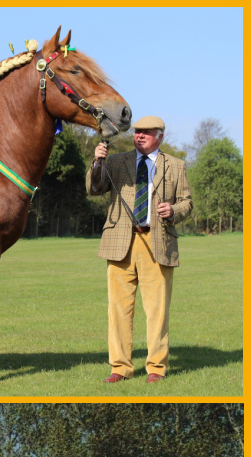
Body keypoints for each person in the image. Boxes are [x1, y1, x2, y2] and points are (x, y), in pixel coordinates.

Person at [87, 116, 192, 384]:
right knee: (118, 310)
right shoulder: (116, 161)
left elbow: (187, 203)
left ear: (160, 136)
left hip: (158, 244)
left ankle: (156, 367)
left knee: (157, 311)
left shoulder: (176, 166)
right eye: (137, 132)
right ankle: (120, 368)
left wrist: (173, 210)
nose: (140, 136)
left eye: (146, 132)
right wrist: (97, 161)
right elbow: (95, 189)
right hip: (119, 243)